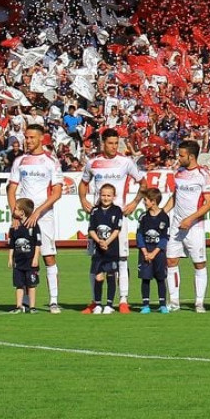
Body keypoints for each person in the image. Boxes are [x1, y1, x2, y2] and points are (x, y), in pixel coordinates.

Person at [78, 128, 146, 313]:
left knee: (122, 259)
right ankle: (95, 301)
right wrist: (83, 200)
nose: (114, 146)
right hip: (99, 217)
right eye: (110, 143)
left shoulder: (125, 162)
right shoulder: (93, 163)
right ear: (103, 143)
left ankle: (123, 300)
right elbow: (83, 184)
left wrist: (134, 203)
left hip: (119, 217)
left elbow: (143, 183)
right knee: (95, 260)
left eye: (116, 143)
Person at [6, 124, 64, 313]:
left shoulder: (51, 161)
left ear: (41, 138)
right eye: (26, 137)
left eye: (31, 137)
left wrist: (37, 212)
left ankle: (53, 300)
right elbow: (12, 189)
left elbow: (57, 192)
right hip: (22, 217)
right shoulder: (19, 161)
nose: (28, 140)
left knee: (48, 256)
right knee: (22, 256)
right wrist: (15, 213)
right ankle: (22, 303)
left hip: (44, 215)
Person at [164, 140, 210, 313]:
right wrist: (162, 214)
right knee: (171, 261)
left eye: (182, 155)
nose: (179, 158)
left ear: (191, 156)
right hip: (176, 226)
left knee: (199, 264)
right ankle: (174, 301)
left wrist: (190, 219)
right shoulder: (179, 172)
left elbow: (209, 204)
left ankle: (199, 302)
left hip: (195, 227)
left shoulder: (203, 175)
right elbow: (175, 196)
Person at [87, 183, 124, 314]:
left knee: (110, 275)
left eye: (108, 195)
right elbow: (91, 229)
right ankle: (97, 304)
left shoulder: (117, 210)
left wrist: (107, 241)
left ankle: (109, 304)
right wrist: (99, 241)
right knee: (98, 277)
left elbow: (116, 230)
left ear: (114, 197)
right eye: (103, 195)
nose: (106, 198)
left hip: (111, 249)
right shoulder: (95, 211)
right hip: (98, 249)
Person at [135, 187, 170, 314]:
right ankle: (145, 305)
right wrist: (145, 252)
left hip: (158, 253)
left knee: (161, 278)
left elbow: (165, 237)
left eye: (145, 200)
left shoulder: (164, 217)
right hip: (145, 252)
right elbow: (139, 235)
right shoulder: (143, 216)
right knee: (145, 278)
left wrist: (154, 253)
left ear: (153, 201)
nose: (144, 202)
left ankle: (162, 304)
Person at [7, 198, 41, 314]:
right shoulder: (14, 227)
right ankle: (18, 306)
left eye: (16, 209)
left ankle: (32, 307)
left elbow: (37, 243)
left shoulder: (34, 225)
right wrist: (10, 258)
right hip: (18, 261)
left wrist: (36, 258)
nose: (13, 210)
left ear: (22, 212)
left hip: (30, 261)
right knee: (19, 285)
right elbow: (11, 244)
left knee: (31, 285)